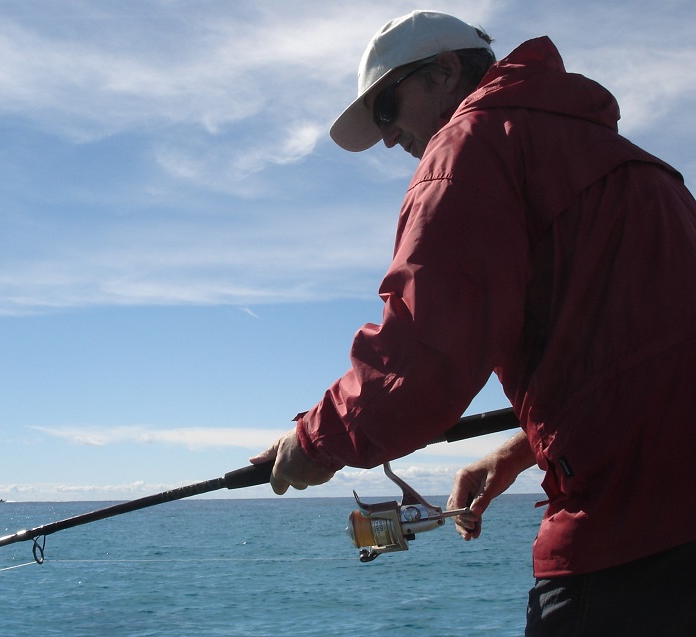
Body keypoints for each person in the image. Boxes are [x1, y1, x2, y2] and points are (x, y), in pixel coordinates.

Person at [249, 9, 696, 636]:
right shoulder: (626, 160)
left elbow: (422, 357)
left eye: (385, 108)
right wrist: (521, 450)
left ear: (444, 72)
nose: (386, 137)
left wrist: (316, 439)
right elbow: (644, 352)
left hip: (627, 533)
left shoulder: (471, 147)